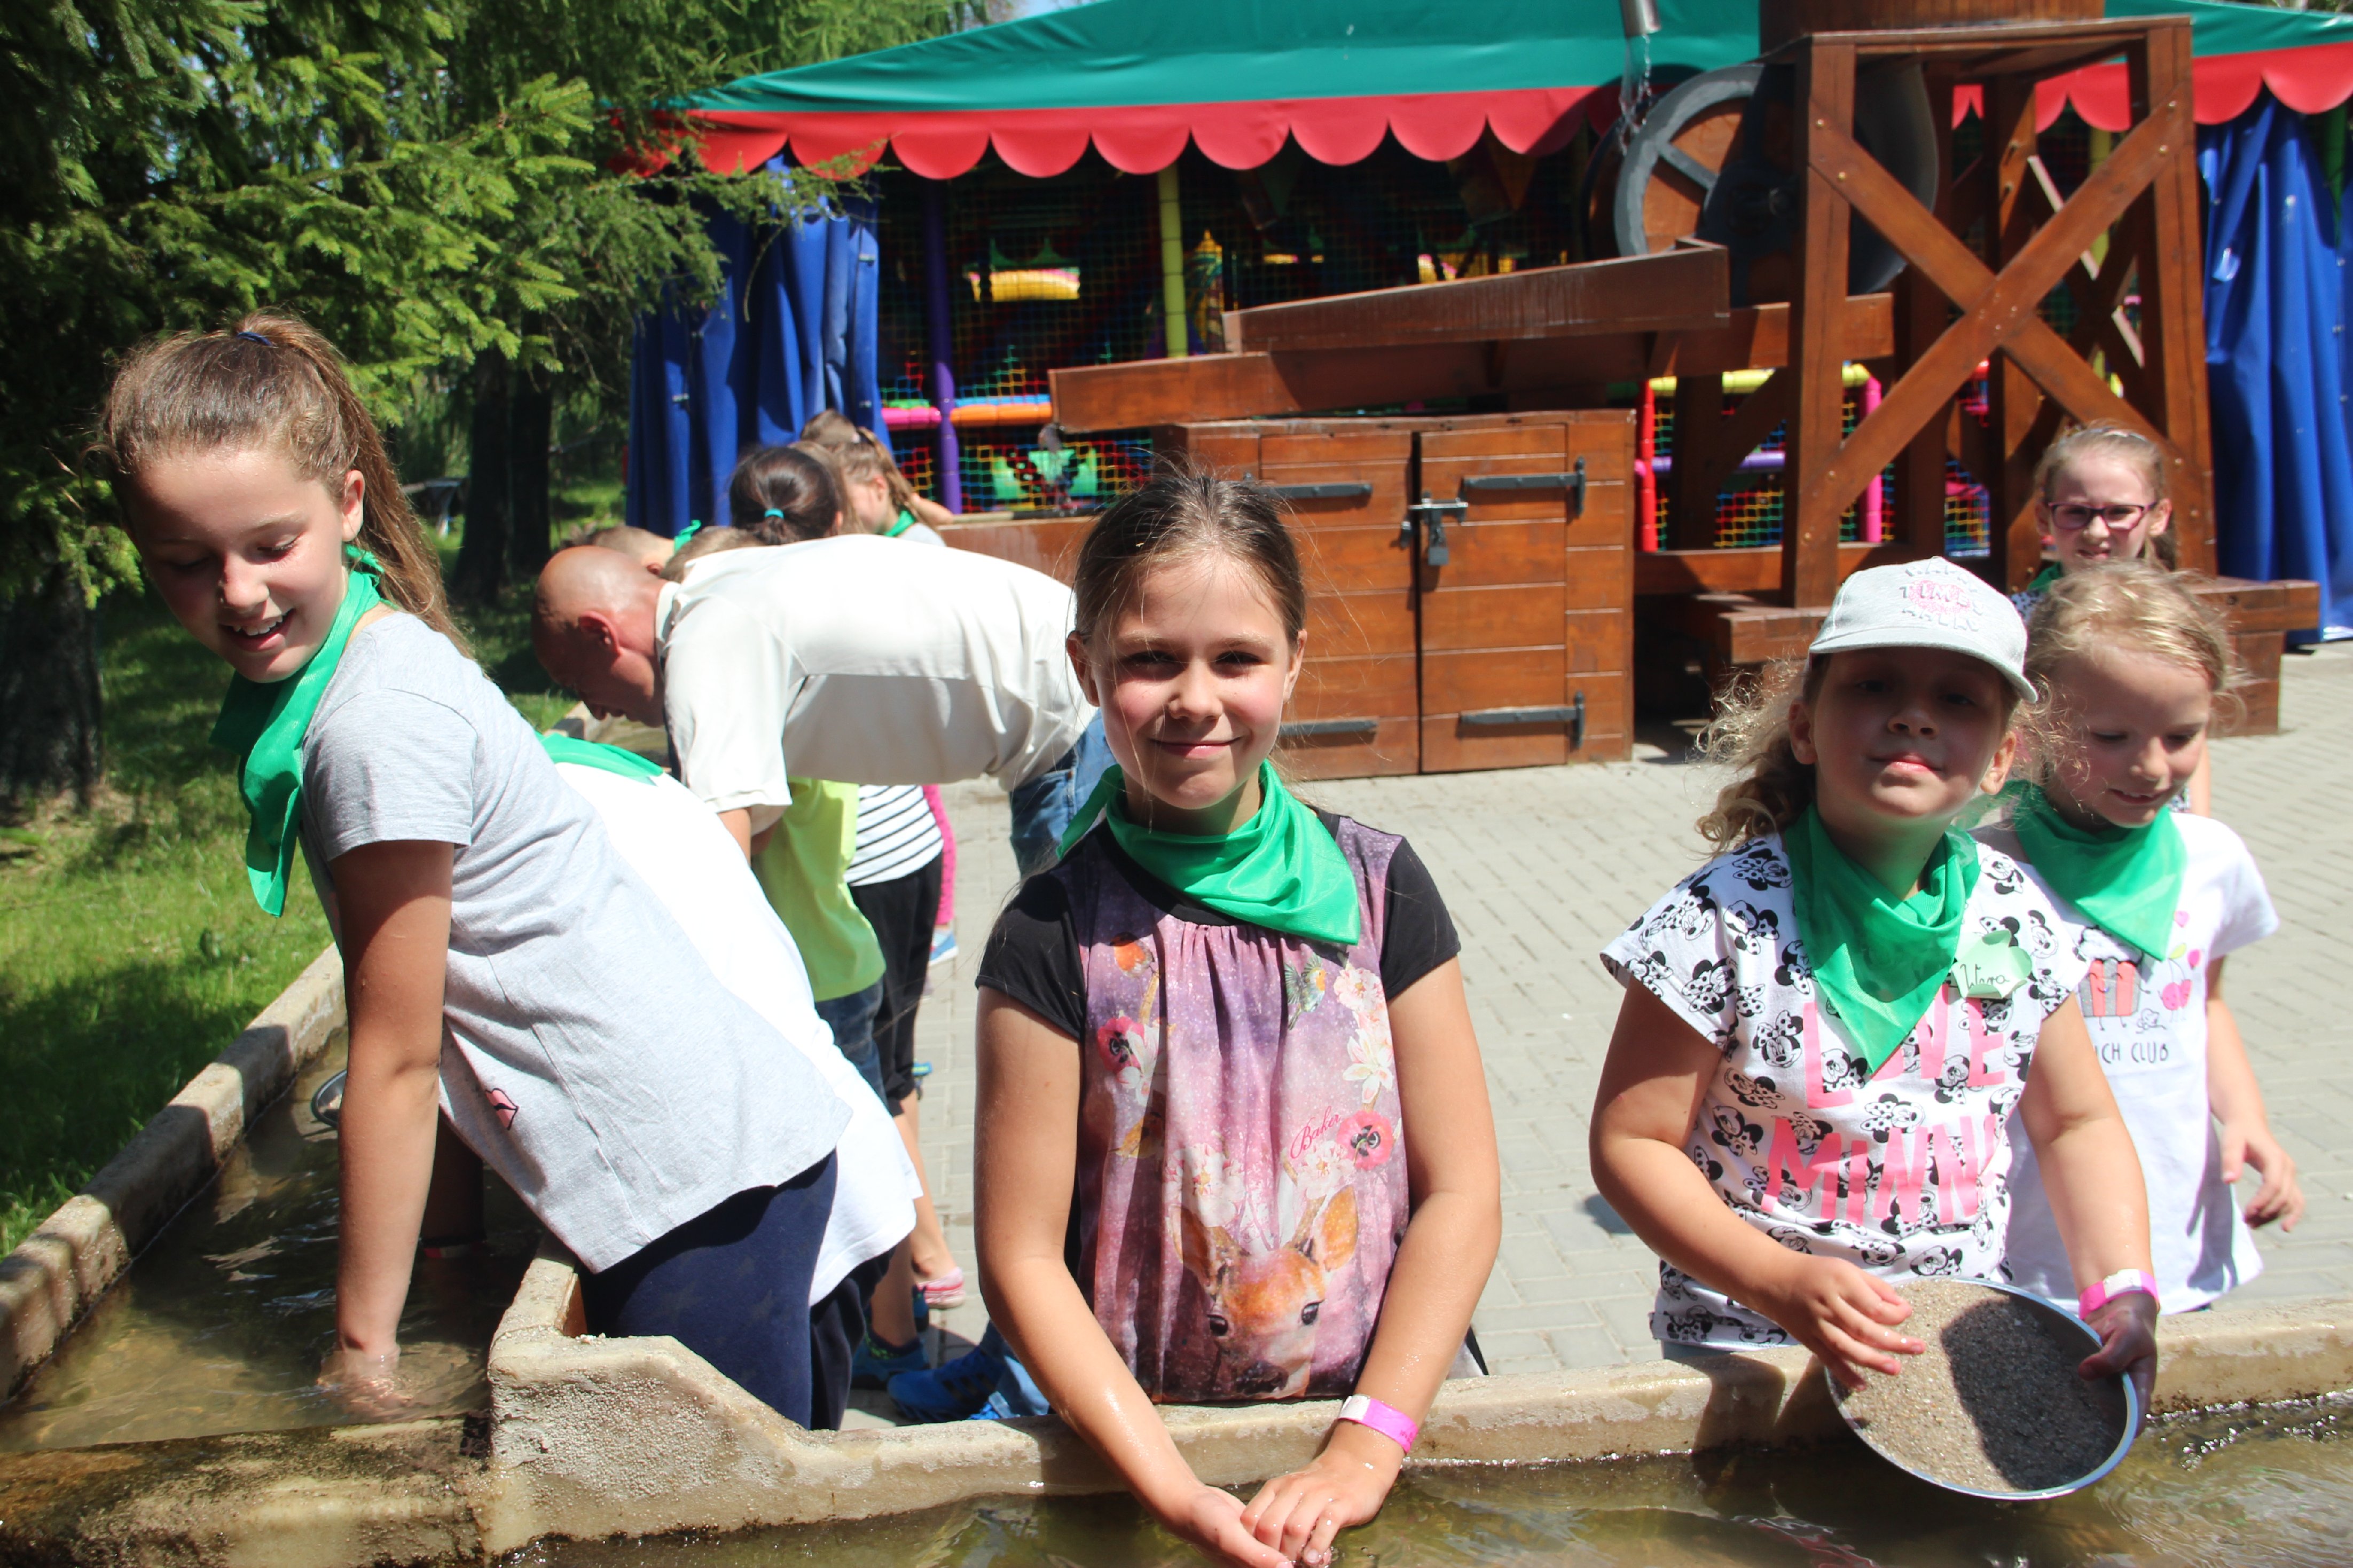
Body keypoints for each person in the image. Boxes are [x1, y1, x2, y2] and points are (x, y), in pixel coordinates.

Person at [101, 313, 851, 1426]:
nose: (240, 590)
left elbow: (397, 1061)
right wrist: (450, 1251)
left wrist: (361, 1357)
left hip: (694, 1198)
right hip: (725, 1156)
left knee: (735, 1511)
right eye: (186, 563)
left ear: (348, 503)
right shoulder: (382, 645)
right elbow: (445, 1010)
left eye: (269, 545)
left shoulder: (373, 724)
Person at [969, 470, 1501, 1568]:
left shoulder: (1383, 889)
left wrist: (1367, 1445)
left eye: (1237, 659)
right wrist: (1171, 1486)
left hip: (1380, 1428)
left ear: (1293, 661)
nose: (1194, 698)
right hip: (1148, 1451)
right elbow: (1019, 1256)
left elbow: (1463, 1191)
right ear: (1086, 668)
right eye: (1150, 659)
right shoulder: (1049, 933)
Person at [1588, 558, 2160, 1413]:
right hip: (1750, 1349)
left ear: (2002, 758)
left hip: (1953, 1353)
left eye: (1957, 699)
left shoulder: (2017, 915)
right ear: (1804, 728)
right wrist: (1776, 1279)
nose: (1912, 715)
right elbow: (1631, 1143)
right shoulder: (1718, 920)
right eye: (1874, 684)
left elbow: (2076, 1121)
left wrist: (2119, 1285)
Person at [542, 736, 921, 1429]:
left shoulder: (551, 817)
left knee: (772, 1467)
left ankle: (897, 1343)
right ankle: (900, 1338)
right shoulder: (609, 778)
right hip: (824, 1140)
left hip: (778, 1182)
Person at [1981, 563, 2299, 1313]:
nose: (2152, 766)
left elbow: (2205, 1004)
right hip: (2026, 1245)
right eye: (2110, 736)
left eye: (2181, 736)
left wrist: (2246, 1118)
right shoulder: (1983, 874)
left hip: (2173, 1226)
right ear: (2036, 723)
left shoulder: (2210, 859)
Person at [531, 532, 1100, 876]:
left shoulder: (704, 646)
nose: (597, 712)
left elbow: (721, 865)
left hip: (1068, 728)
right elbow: (755, 826)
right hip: (1073, 699)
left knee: (1083, 983)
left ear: (600, 634)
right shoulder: (718, 584)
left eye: (579, 683)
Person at [801, 408, 955, 542]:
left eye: (846, 503)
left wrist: (912, 501)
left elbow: (945, 518)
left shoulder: (918, 539)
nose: (841, 514)